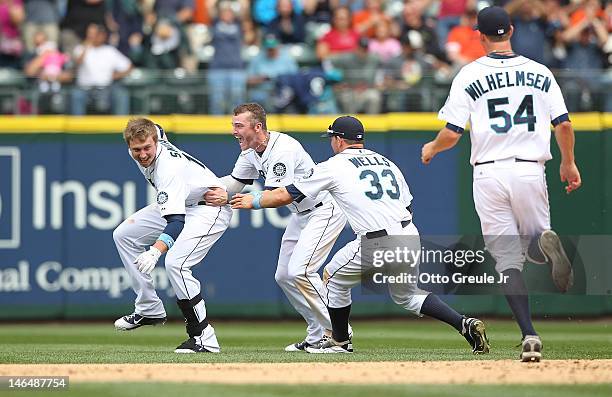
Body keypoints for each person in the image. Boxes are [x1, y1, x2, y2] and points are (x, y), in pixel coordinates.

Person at [230, 115, 490, 355]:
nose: (331, 142)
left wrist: (253, 201)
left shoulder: (333, 166)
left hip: (375, 240)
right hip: (409, 234)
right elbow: (408, 204)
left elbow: (284, 194)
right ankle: (463, 323)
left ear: (339, 140)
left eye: (332, 138)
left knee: (332, 277)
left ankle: (340, 340)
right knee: (408, 296)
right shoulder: (386, 161)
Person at [421, 6, 581, 362]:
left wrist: (432, 148)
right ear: (510, 30)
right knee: (537, 243)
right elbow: (564, 125)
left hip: (489, 172)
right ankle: (544, 239)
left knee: (508, 262)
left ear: (480, 35)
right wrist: (568, 163)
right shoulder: (540, 72)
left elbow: (452, 133)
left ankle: (529, 334)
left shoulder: (469, 74)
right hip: (529, 167)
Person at [204, 103, 348, 351]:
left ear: (257, 127)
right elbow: (235, 182)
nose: (234, 131)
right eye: (233, 125)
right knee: (284, 276)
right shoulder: (250, 151)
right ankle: (316, 335)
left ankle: (340, 333)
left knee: (300, 271)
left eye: (239, 125)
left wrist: (233, 199)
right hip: (301, 215)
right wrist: (202, 188)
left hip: (324, 210)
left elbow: (279, 196)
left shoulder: (283, 148)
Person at [113, 118, 233, 353]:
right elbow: (155, 126)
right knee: (124, 235)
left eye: (147, 147)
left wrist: (155, 251)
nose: (143, 154)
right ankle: (148, 308)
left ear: (155, 142)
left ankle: (203, 337)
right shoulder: (152, 135)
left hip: (208, 208)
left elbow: (176, 222)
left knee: (175, 263)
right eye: (136, 149)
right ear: (129, 146)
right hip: (185, 201)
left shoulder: (168, 169)